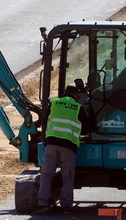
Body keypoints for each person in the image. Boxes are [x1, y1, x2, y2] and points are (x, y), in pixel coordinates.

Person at [36, 85, 86, 213]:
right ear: (76, 96)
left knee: (46, 174)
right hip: (68, 146)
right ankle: (66, 206)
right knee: (67, 176)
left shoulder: (53, 103)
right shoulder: (78, 107)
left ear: (64, 93)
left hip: (51, 143)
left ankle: (43, 204)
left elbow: (44, 120)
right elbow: (87, 127)